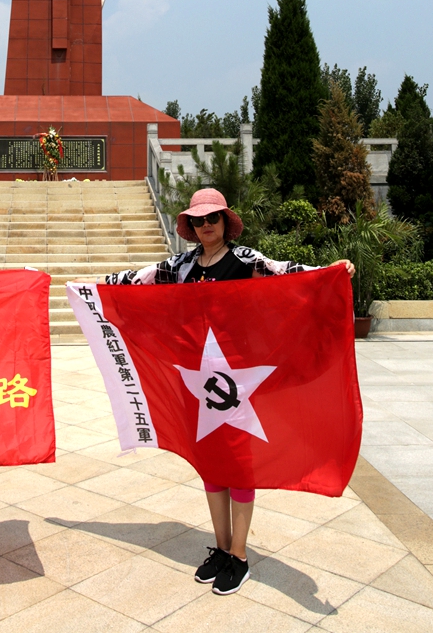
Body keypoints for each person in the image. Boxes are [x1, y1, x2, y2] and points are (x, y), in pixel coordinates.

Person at [104, 186, 355, 598]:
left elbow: (288, 271)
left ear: (225, 221)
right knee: (211, 462)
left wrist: (329, 270)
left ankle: (239, 555)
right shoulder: (182, 266)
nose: (206, 227)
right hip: (197, 381)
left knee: (239, 464)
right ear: (190, 226)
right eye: (198, 221)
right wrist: (94, 289)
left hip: (238, 381)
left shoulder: (245, 261)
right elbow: (139, 279)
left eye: (212, 219)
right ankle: (220, 547)